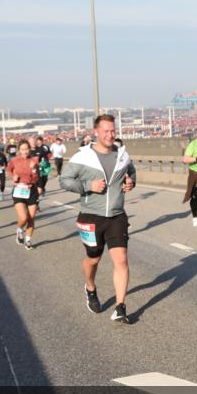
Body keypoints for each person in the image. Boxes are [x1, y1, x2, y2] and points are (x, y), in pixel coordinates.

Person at [60, 114, 137, 324]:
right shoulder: (83, 157)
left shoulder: (122, 155)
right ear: (96, 132)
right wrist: (88, 186)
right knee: (94, 259)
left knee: (121, 259)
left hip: (116, 216)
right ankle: (90, 287)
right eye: (106, 131)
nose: (110, 134)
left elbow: (131, 174)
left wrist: (130, 183)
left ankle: (120, 307)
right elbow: (64, 180)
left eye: (113, 130)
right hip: (91, 216)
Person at [7, 140, 41, 250]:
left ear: (29, 149)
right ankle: (19, 229)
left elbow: (37, 178)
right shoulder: (14, 160)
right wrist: (13, 177)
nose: (25, 151)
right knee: (23, 217)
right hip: (19, 191)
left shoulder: (34, 160)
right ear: (19, 150)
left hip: (31, 190)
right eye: (22, 149)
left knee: (31, 218)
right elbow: (9, 170)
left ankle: (28, 240)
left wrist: (34, 170)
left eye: (27, 149)